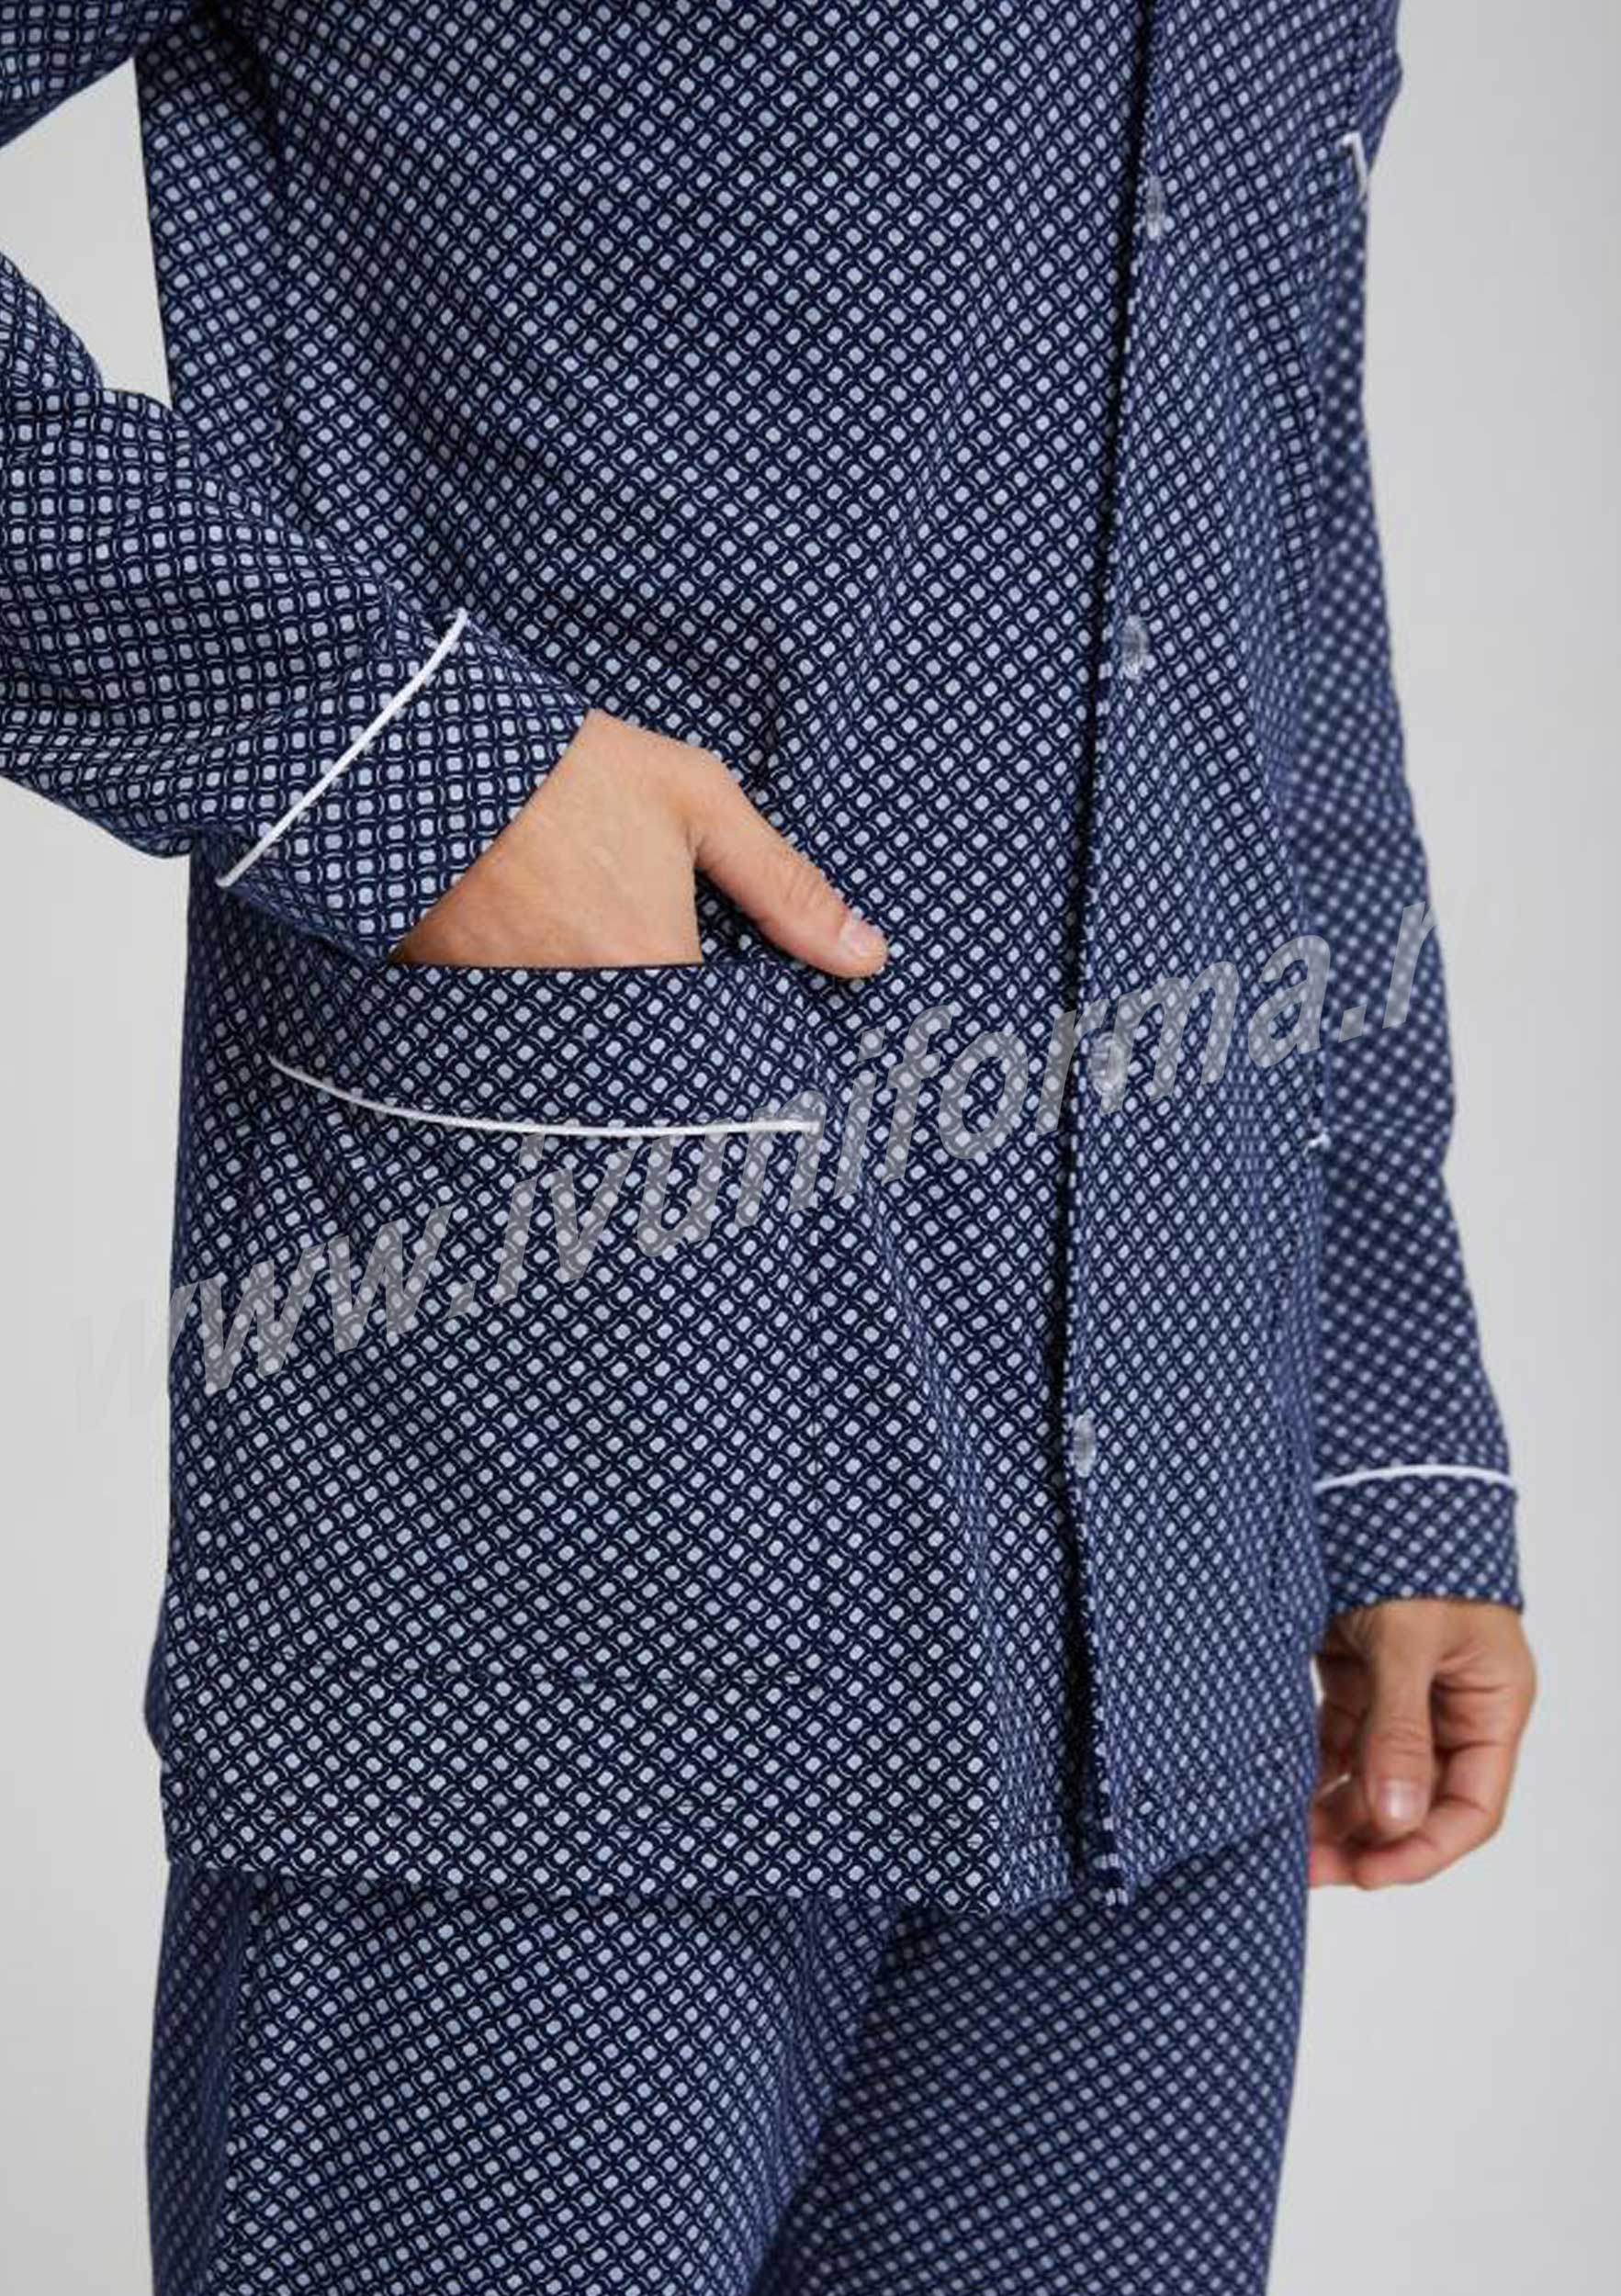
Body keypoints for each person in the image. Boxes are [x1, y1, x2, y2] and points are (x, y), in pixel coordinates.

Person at [2, 5, 1536, 2290]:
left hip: (1173, 1643)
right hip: (566, 1579)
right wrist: (402, 759)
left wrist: (1386, 1436)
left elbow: (1280, 593)